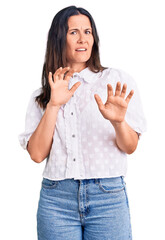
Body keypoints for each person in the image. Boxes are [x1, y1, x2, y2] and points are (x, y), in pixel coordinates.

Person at [19, 5, 146, 240]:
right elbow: (37, 155)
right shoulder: (42, 95)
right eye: (73, 32)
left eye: (88, 32)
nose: (83, 39)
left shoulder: (115, 82)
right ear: (59, 38)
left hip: (107, 197)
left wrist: (118, 122)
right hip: (57, 200)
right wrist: (54, 105)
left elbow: (130, 147)